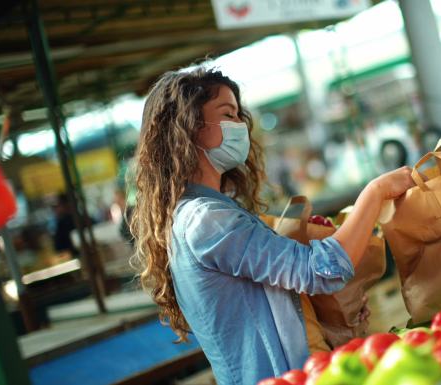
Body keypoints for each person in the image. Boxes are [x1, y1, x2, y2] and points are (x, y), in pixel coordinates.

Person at [129, 68, 414, 384]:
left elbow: (275, 296)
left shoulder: (207, 211)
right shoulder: (207, 220)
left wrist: (333, 312)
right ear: (190, 127)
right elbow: (322, 270)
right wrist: (375, 194)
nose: (240, 126)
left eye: (239, 116)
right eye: (228, 115)